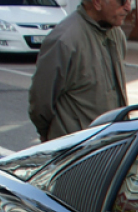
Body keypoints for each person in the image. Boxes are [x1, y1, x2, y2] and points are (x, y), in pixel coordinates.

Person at [28, 0, 129, 142]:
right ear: (97, 3)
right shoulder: (64, 40)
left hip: (111, 146)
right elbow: (41, 102)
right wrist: (52, 138)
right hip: (77, 151)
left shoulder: (116, 34)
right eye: (122, 1)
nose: (128, 7)